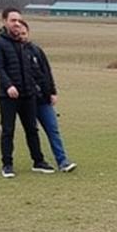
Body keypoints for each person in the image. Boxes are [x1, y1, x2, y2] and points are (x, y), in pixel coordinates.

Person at [0, 7, 54, 179]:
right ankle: (7, 164)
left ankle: (38, 161)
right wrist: (9, 85)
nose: (17, 24)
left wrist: (45, 89)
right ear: (4, 22)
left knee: (32, 129)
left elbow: (36, 69)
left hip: (28, 94)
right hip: (8, 96)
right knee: (8, 130)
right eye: (13, 20)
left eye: (19, 20)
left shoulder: (24, 44)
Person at [16, 20, 77, 173]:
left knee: (53, 129)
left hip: (42, 97)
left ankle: (62, 161)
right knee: (32, 131)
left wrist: (52, 91)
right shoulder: (13, 52)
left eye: (24, 33)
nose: (22, 36)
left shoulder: (36, 50)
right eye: (19, 34)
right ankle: (38, 161)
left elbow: (46, 72)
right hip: (26, 99)